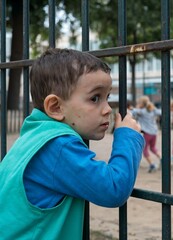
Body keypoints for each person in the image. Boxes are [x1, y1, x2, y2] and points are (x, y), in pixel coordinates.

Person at [0, 48, 144, 239]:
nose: (108, 109)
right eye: (95, 98)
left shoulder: (33, 136)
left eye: (107, 97)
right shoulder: (57, 146)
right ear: (56, 107)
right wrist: (128, 137)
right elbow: (113, 189)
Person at [131, 96, 161, 172]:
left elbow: (132, 112)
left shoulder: (142, 111)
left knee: (145, 150)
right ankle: (162, 159)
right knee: (153, 148)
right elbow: (160, 112)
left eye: (139, 103)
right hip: (154, 132)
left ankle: (152, 165)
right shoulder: (152, 110)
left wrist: (134, 108)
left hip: (147, 133)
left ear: (142, 104)